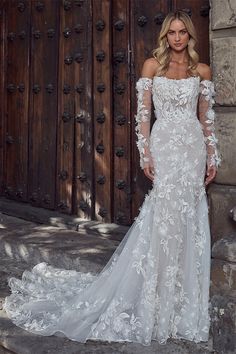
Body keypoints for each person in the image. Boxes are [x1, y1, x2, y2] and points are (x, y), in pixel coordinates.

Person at [3, 10, 221, 346]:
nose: (178, 39)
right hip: (164, 147)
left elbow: (205, 121)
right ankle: (154, 301)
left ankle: (182, 306)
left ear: (190, 37)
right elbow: (144, 116)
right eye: (172, 33)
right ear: (165, 36)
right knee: (163, 219)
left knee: (189, 219)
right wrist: (145, 153)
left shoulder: (201, 71)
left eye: (183, 33)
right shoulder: (153, 66)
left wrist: (212, 156)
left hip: (191, 151)